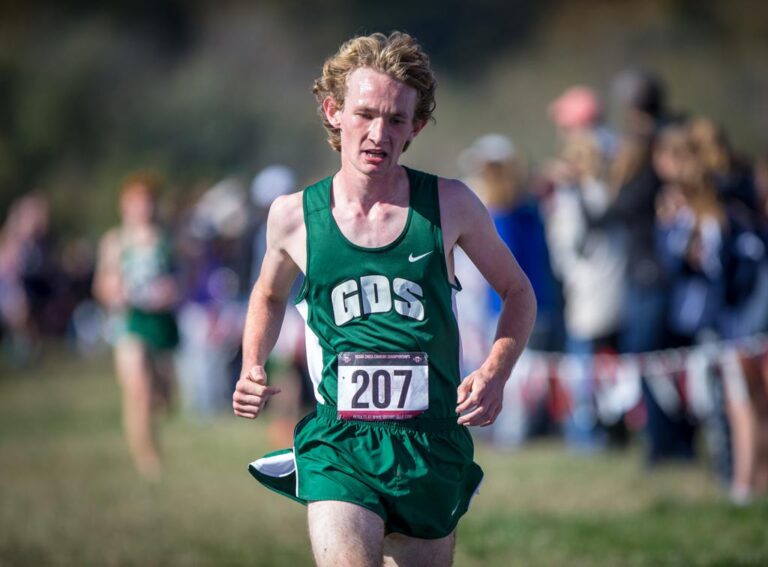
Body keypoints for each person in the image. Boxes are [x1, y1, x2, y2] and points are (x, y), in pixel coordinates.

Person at [232, 32, 536, 566]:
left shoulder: (450, 205)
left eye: (396, 119)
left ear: (416, 126)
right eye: (365, 113)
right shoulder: (294, 216)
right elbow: (267, 294)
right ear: (333, 112)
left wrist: (495, 372)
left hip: (430, 440)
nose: (378, 133)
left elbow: (518, 292)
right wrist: (252, 363)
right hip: (340, 440)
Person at [93, 173, 180, 480]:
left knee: (163, 397)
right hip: (128, 323)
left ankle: (150, 437)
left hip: (162, 322)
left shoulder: (166, 238)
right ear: (124, 205)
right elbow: (101, 285)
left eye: (147, 201)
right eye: (136, 202)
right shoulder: (115, 241)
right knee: (138, 390)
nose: (142, 208)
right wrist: (115, 291)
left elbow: (184, 278)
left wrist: (172, 290)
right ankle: (147, 459)